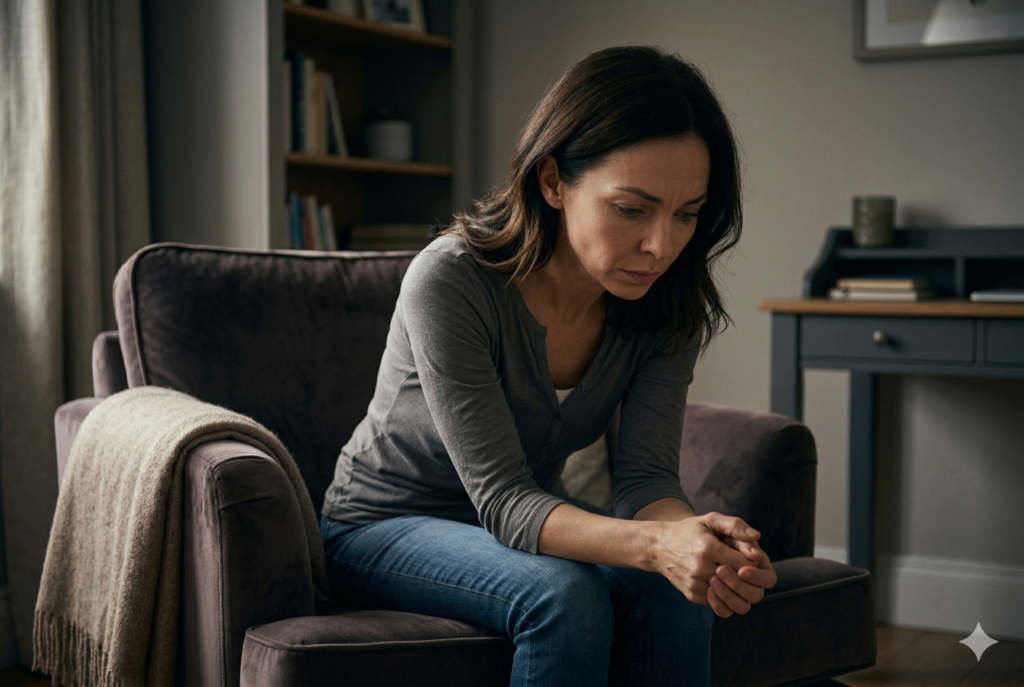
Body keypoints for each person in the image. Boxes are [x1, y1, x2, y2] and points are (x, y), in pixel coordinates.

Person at [320, 45, 776, 686]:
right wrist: (655, 547)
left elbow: (646, 480)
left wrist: (699, 543)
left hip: (528, 519)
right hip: (381, 525)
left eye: (687, 215)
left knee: (678, 589)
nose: (662, 246)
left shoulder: (668, 305)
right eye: (631, 209)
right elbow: (504, 500)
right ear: (553, 180)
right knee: (563, 595)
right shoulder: (453, 281)